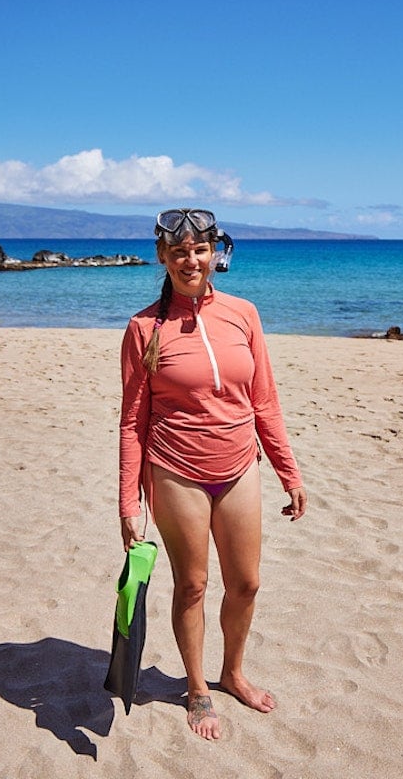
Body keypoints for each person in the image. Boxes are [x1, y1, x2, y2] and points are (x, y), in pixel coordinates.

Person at [118, 208, 308, 741]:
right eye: (178, 251)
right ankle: (198, 688)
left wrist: (288, 471)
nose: (189, 259)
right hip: (175, 470)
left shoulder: (244, 314)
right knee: (193, 585)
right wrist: (128, 504)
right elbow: (132, 420)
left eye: (199, 250)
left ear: (214, 254)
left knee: (246, 583)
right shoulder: (142, 328)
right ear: (162, 256)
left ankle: (233, 672)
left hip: (239, 465)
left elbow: (264, 400)